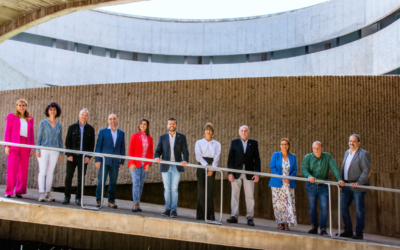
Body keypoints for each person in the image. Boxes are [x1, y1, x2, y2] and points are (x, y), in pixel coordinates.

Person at [301, 141, 345, 236]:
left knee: (324, 207)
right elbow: (304, 169)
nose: (316, 150)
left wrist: (339, 179)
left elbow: (334, 168)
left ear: (322, 148)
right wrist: (309, 176)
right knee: (312, 206)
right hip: (311, 185)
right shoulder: (307, 157)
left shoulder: (327, 156)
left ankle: (323, 229)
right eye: (314, 148)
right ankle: (314, 227)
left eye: (318, 148)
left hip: (324, 185)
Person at [337, 134, 371, 240]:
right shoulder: (347, 153)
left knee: (359, 210)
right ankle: (348, 230)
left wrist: (359, 182)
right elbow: (344, 168)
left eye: (354, 141)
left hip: (357, 186)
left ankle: (359, 232)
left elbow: (366, 170)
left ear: (359, 143)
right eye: (350, 141)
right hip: (346, 185)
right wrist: (341, 181)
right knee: (343, 207)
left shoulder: (364, 154)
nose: (351, 143)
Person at [154, 118, 189, 218]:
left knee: (174, 188)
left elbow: (185, 151)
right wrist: (156, 157)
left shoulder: (182, 137)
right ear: (167, 126)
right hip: (165, 165)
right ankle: (167, 209)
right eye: (169, 124)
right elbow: (158, 151)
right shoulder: (162, 137)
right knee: (167, 189)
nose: (171, 125)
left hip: (177, 166)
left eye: (173, 124)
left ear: (176, 125)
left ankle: (174, 210)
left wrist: (185, 159)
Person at [226, 125, 260, 227]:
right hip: (236, 173)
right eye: (242, 131)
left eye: (245, 131)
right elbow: (230, 159)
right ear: (239, 132)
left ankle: (250, 217)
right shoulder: (234, 142)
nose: (244, 132)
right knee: (235, 195)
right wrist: (230, 173)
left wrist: (257, 173)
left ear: (248, 132)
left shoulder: (254, 143)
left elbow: (257, 159)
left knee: (250, 196)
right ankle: (234, 216)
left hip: (249, 173)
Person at [63, 108, 95, 205]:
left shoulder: (90, 129)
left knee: (81, 178)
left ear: (87, 117)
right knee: (68, 177)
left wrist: (88, 156)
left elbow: (91, 144)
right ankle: (67, 197)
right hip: (72, 157)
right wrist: (68, 154)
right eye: (82, 115)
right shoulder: (72, 127)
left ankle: (78, 198)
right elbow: (67, 142)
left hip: (83, 158)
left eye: (86, 115)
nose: (84, 117)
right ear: (79, 115)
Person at [3, 99, 35, 198]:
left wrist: (32, 148)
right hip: (13, 143)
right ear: (16, 106)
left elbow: (31, 134)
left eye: (23, 105)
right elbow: (7, 131)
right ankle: (9, 191)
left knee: (23, 169)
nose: (22, 107)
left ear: (26, 106)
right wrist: (6, 145)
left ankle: (19, 191)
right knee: (12, 167)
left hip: (26, 144)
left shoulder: (30, 119)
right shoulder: (11, 116)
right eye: (19, 105)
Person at [94, 114, 125, 209]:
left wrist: (122, 161)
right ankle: (98, 200)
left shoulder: (121, 133)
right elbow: (98, 146)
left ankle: (111, 201)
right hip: (104, 160)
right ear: (108, 121)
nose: (112, 121)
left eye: (114, 119)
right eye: (110, 119)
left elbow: (122, 148)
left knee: (113, 182)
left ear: (117, 120)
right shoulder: (103, 132)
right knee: (101, 181)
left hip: (115, 162)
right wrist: (97, 159)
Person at [36, 102, 63, 202]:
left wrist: (61, 152)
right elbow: (39, 136)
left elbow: (60, 140)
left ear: (56, 112)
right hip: (44, 149)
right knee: (42, 171)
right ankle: (41, 193)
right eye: (51, 109)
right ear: (48, 111)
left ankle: (48, 193)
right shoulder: (43, 123)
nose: (52, 111)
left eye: (54, 110)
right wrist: (37, 149)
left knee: (50, 172)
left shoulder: (59, 125)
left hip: (55, 150)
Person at [269, 138, 297, 231]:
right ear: (280, 146)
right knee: (278, 203)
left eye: (285, 144)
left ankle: (287, 223)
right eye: (282, 144)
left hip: (288, 183)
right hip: (278, 183)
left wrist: (289, 178)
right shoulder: (275, 155)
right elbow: (273, 167)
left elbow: (295, 169)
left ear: (288, 146)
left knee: (288, 203)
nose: (284, 146)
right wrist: (281, 178)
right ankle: (280, 222)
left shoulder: (293, 157)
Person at [194, 123, 221, 221]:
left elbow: (217, 158)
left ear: (213, 132)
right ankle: (200, 215)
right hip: (202, 165)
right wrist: (205, 165)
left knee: (209, 191)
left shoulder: (217, 144)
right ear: (204, 131)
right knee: (201, 190)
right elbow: (198, 156)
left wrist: (212, 169)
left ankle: (210, 215)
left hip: (212, 167)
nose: (208, 131)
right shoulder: (199, 142)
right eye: (206, 129)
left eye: (210, 129)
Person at [128, 118, 153, 212]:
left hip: (144, 166)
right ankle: (135, 203)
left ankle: (138, 203)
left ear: (147, 126)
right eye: (141, 124)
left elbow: (151, 152)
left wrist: (149, 164)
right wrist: (131, 162)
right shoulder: (134, 135)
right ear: (139, 125)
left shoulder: (150, 138)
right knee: (136, 182)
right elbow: (131, 150)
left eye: (145, 124)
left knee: (141, 184)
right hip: (135, 164)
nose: (143, 125)